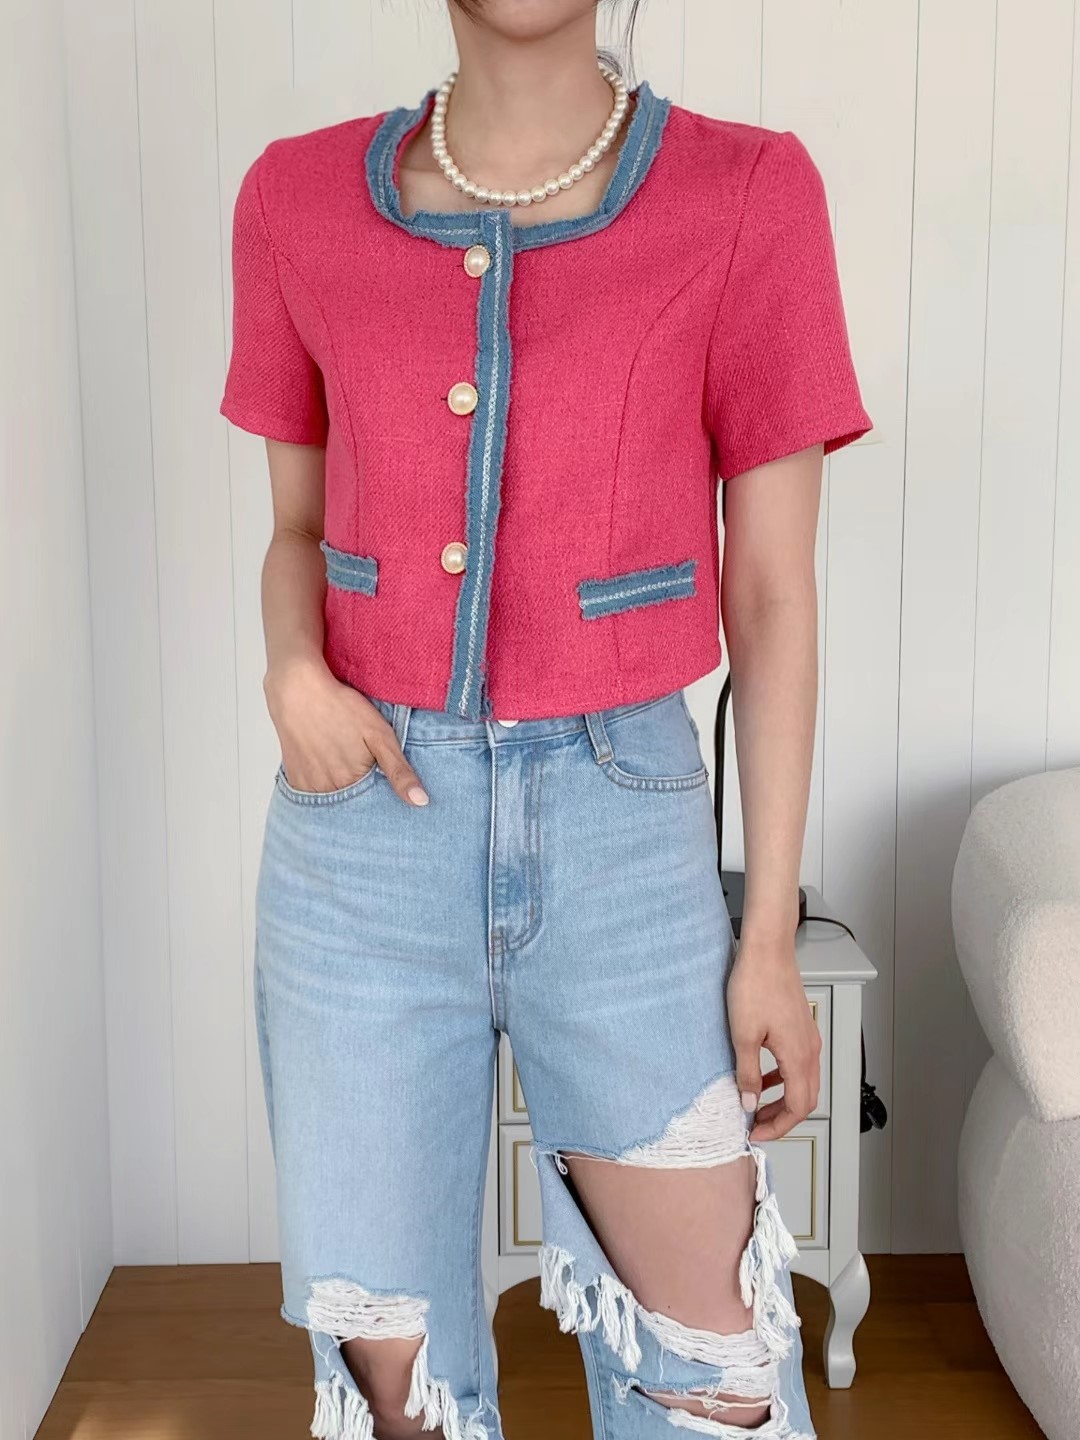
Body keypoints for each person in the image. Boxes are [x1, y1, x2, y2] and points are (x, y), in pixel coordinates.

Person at [220, 2, 872, 1436]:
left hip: (622, 835)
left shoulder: (747, 193)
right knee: (394, 1393)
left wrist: (767, 936)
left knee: (711, 1377)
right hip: (360, 848)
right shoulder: (293, 199)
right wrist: (292, 675)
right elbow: (293, 529)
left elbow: (772, 595)